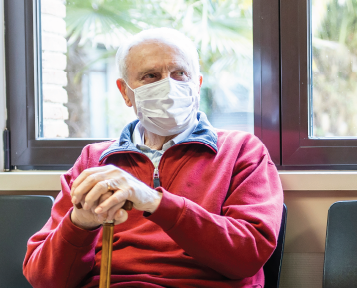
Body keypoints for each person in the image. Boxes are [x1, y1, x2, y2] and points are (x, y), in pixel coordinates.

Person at [23, 27, 284, 288]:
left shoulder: (242, 151)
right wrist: (80, 224)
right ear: (125, 93)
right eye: (150, 76)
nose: (168, 86)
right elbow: (45, 280)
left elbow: (247, 255)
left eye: (180, 74)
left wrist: (154, 200)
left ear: (198, 84)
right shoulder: (95, 161)